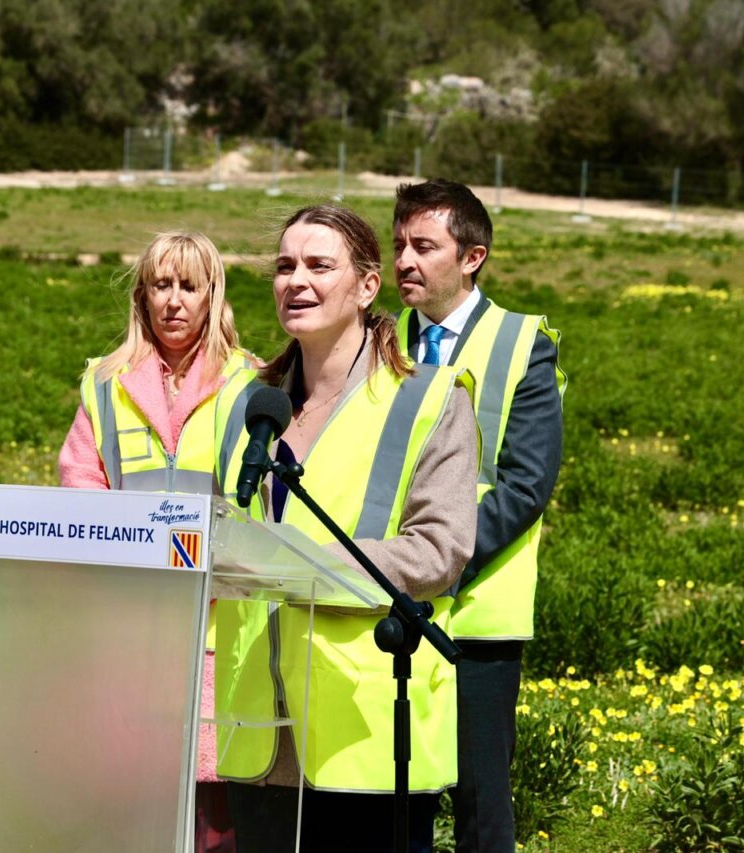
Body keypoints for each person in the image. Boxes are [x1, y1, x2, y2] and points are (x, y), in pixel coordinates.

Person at [213, 204, 479, 853]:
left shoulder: (429, 399)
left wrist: (312, 563)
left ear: (366, 285)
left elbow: (440, 549)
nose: (294, 280)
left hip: (366, 733)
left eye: (317, 265)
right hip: (259, 728)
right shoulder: (245, 401)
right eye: (283, 266)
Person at [59, 231, 259, 853]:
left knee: (217, 809)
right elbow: (80, 484)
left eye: (189, 287)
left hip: (221, 628)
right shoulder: (104, 382)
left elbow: (263, 504)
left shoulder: (250, 381)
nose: (173, 301)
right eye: (160, 285)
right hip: (133, 622)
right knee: (133, 795)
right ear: (142, 295)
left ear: (211, 295)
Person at [391, 179, 566, 852]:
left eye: (424, 246)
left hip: (478, 612)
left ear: (472, 256)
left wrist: (438, 562)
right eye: (400, 243)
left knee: (478, 803)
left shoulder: (524, 343)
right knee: (394, 798)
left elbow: (524, 485)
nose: (405, 259)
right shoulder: (373, 340)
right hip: (389, 606)